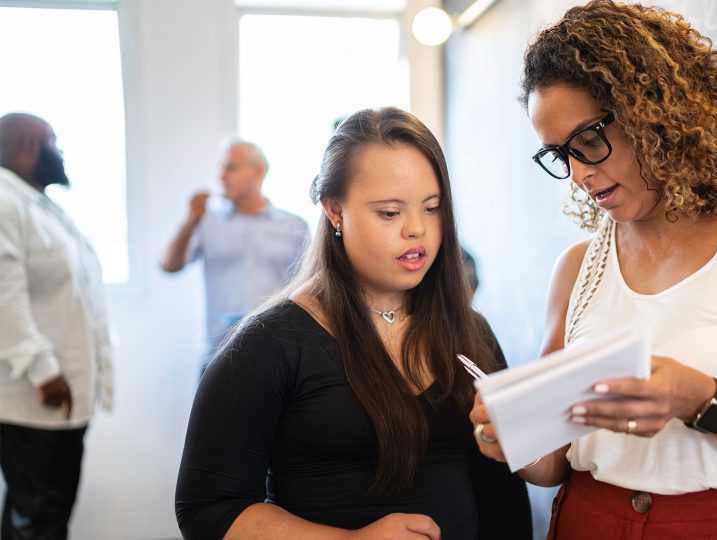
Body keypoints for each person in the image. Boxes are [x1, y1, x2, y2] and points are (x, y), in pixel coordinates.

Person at [469, 2, 717, 538]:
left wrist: (702, 399)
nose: (580, 175)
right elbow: (553, 464)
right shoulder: (576, 269)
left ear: (655, 112)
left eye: (590, 141)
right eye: (559, 156)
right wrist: (508, 434)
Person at [175, 107, 532, 540]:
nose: (417, 230)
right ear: (335, 211)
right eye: (389, 213)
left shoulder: (469, 331)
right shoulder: (268, 345)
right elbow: (208, 510)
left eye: (433, 208)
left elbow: (502, 489)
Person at [0, 113, 113, 539]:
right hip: (36, 400)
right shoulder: (4, 203)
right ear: (30, 144)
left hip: (55, 401)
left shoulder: (34, 204)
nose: (59, 151)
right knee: (40, 521)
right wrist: (44, 373)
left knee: (41, 516)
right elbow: (2, 301)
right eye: (54, 141)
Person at [160, 141, 309, 373]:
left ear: (258, 171)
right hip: (217, 354)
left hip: (278, 355)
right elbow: (169, 265)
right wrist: (189, 222)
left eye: (231, 168)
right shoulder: (207, 221)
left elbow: (310, 288)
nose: (221, 176)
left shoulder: (293, 226)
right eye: (221, 168)